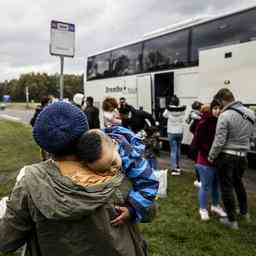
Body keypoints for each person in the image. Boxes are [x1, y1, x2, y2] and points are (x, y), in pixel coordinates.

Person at [0, 102, 149, 255]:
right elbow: (149, 209)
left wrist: (7, 206)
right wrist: (133, 210)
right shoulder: (117, 167)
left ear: (44, 146)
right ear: (86, 133)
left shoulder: (30, 182)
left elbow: (6, 240)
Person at [77, 129, 159, 223]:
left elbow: (150, 185)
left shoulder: (132, 159)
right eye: (103, 171)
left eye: (113, 163)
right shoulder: (99, 150)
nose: (112, 170)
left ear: (114, 144)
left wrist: (132, 210)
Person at [208, 88, 255, 229]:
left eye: (219, 102)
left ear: (223, 100)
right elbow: (253, 137)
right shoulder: (250, 113)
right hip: (243, 157)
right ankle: (244, 212)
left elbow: (219, 141)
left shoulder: (225, 115)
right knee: (238, 183)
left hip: (227, 157)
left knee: (226, 188)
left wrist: (211, 156)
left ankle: (232, 220)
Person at [193, 99, 226, 221]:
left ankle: (215, 206)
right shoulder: (204, 122)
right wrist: (210, 155)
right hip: (205, 161)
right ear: (211, 109)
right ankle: (202, 209)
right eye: (215, 108)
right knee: (205, 186)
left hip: (218, 160)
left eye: (219, 108)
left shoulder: (222, 121)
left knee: (216, 185)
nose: (217, 111)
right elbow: (199, 142)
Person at [163, 95, 186, 175]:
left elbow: (164, 115)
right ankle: (178, 167)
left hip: (171, 132)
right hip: (180, 131)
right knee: (178, 149)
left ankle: (174, 169)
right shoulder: (182, 109)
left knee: (173, 150)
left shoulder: (168, 110)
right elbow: (183, 116)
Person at [187, 101, 203, 187]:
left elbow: (191, 128)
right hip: (203, 143)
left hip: (197, 143)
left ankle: (199, 179)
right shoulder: (204, 116)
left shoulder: (197, 118)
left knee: (198, 161)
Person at [30, 95, 51, 161]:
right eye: (50, 102)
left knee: (44, 147)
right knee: (45, 147)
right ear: (46, 103)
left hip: (43, 132)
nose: (50, 103)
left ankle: (45, 159)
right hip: (43, 132)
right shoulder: (41, 111)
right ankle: (46, 160)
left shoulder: (41, 110)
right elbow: (33, 122)